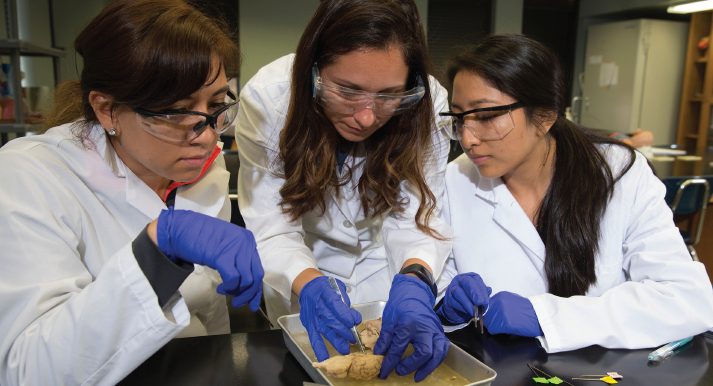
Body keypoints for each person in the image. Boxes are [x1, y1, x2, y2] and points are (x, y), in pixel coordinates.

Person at [0, 0, 264, 384]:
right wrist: (154, 255)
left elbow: (207, 315)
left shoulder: (203, 164)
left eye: (217, 105)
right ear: (107, 110)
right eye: (176, 112)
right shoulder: (29, 176)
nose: (207, 136)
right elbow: (26, 370)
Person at [434, 34, 713, 353]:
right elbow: (444, 296)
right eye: (458, 118)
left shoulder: (618, 172)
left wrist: (546, 317)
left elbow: (688, 298)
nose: (467, 139)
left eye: (486, 117)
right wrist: (446, 309)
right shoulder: (454, 180)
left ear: (544, 116)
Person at [236, 0, 452, 381]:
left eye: (388, 95)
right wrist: (307, 282)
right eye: (348, 91)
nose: (367, 116)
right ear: (314, 69)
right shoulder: (269, 100)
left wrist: (416, 278)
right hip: (302, 265)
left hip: (381, 263)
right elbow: (272, 225)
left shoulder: (427, 105)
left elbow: (417, 216)